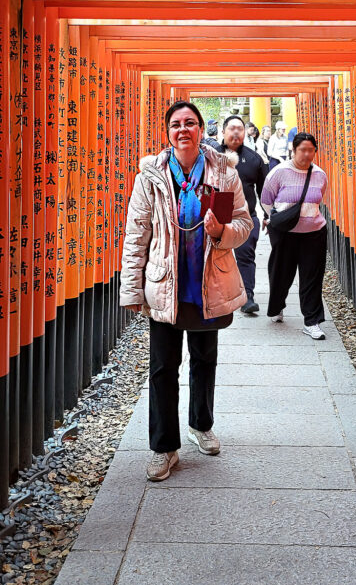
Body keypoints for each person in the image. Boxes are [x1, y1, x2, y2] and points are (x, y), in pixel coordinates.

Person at [120, 100, 252, 480]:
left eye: (190, 123)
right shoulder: (151, 174)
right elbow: (136, 234)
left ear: (200, 130)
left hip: (207, 281)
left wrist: (220, 232)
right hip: (165, 284)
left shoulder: (223, 171)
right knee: (163, 367)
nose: (183, 130)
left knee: (204, 358)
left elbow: (243, 223)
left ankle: (201, 424)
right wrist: (132, 290)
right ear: (167, 132)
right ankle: (164, 447)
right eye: (176, 124)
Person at [260, 132, 329, 341]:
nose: (306, 155)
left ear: (315, 151)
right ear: (293, 150)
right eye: (302, 150)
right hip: (286, 234)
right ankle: (277, 307)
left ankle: (312, 321)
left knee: (312, 278)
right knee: (281, 274)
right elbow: (266, 200)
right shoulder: (279, 172)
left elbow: (318, 198)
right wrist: (281, 219)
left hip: (314, 232)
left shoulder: (319, 175)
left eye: (311, 150)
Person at [218, 114, 268, 315]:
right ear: (223, 132)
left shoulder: (254, 158)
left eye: (240, 128)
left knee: (246, 256)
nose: (236, 132)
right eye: (232, 128)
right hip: (217, 213)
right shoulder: (211, 156)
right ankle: (217, 295)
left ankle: (247, 297)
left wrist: (267, 215)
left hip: (245, 215)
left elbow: (265, 190)